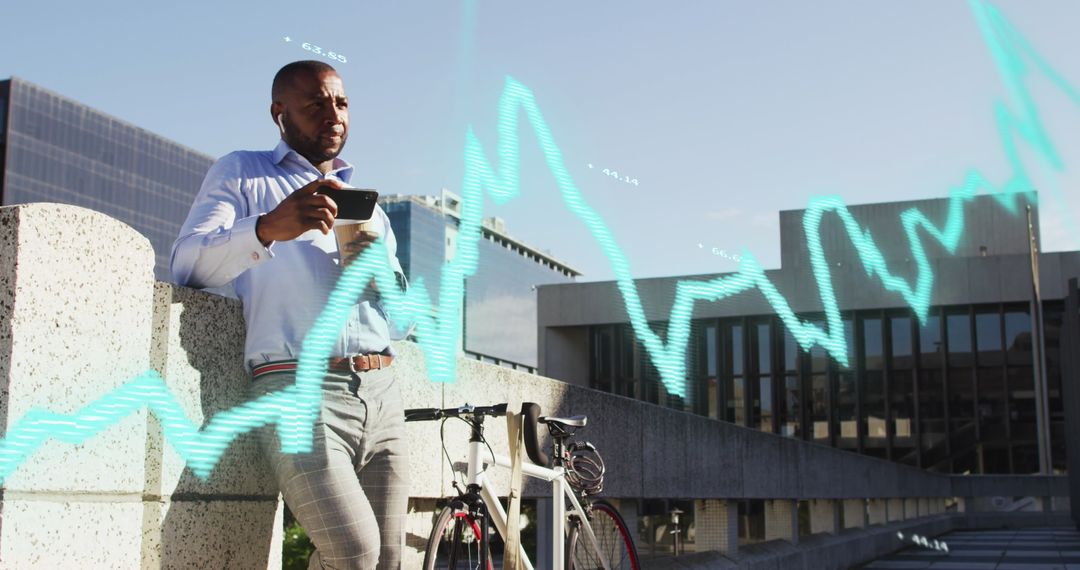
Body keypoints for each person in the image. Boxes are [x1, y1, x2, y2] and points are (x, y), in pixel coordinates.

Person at [171, 60, 409, 570]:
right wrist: (266, 228)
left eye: (341, 103)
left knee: (390, 559)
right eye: (316, 103)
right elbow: (185, 264)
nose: (334, 115)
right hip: (295, 392)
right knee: (355, 552)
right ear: (279, 113)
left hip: (382, 392)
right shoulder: (242, 172)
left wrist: (383, 280)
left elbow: (402, 323)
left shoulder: (370, 207)